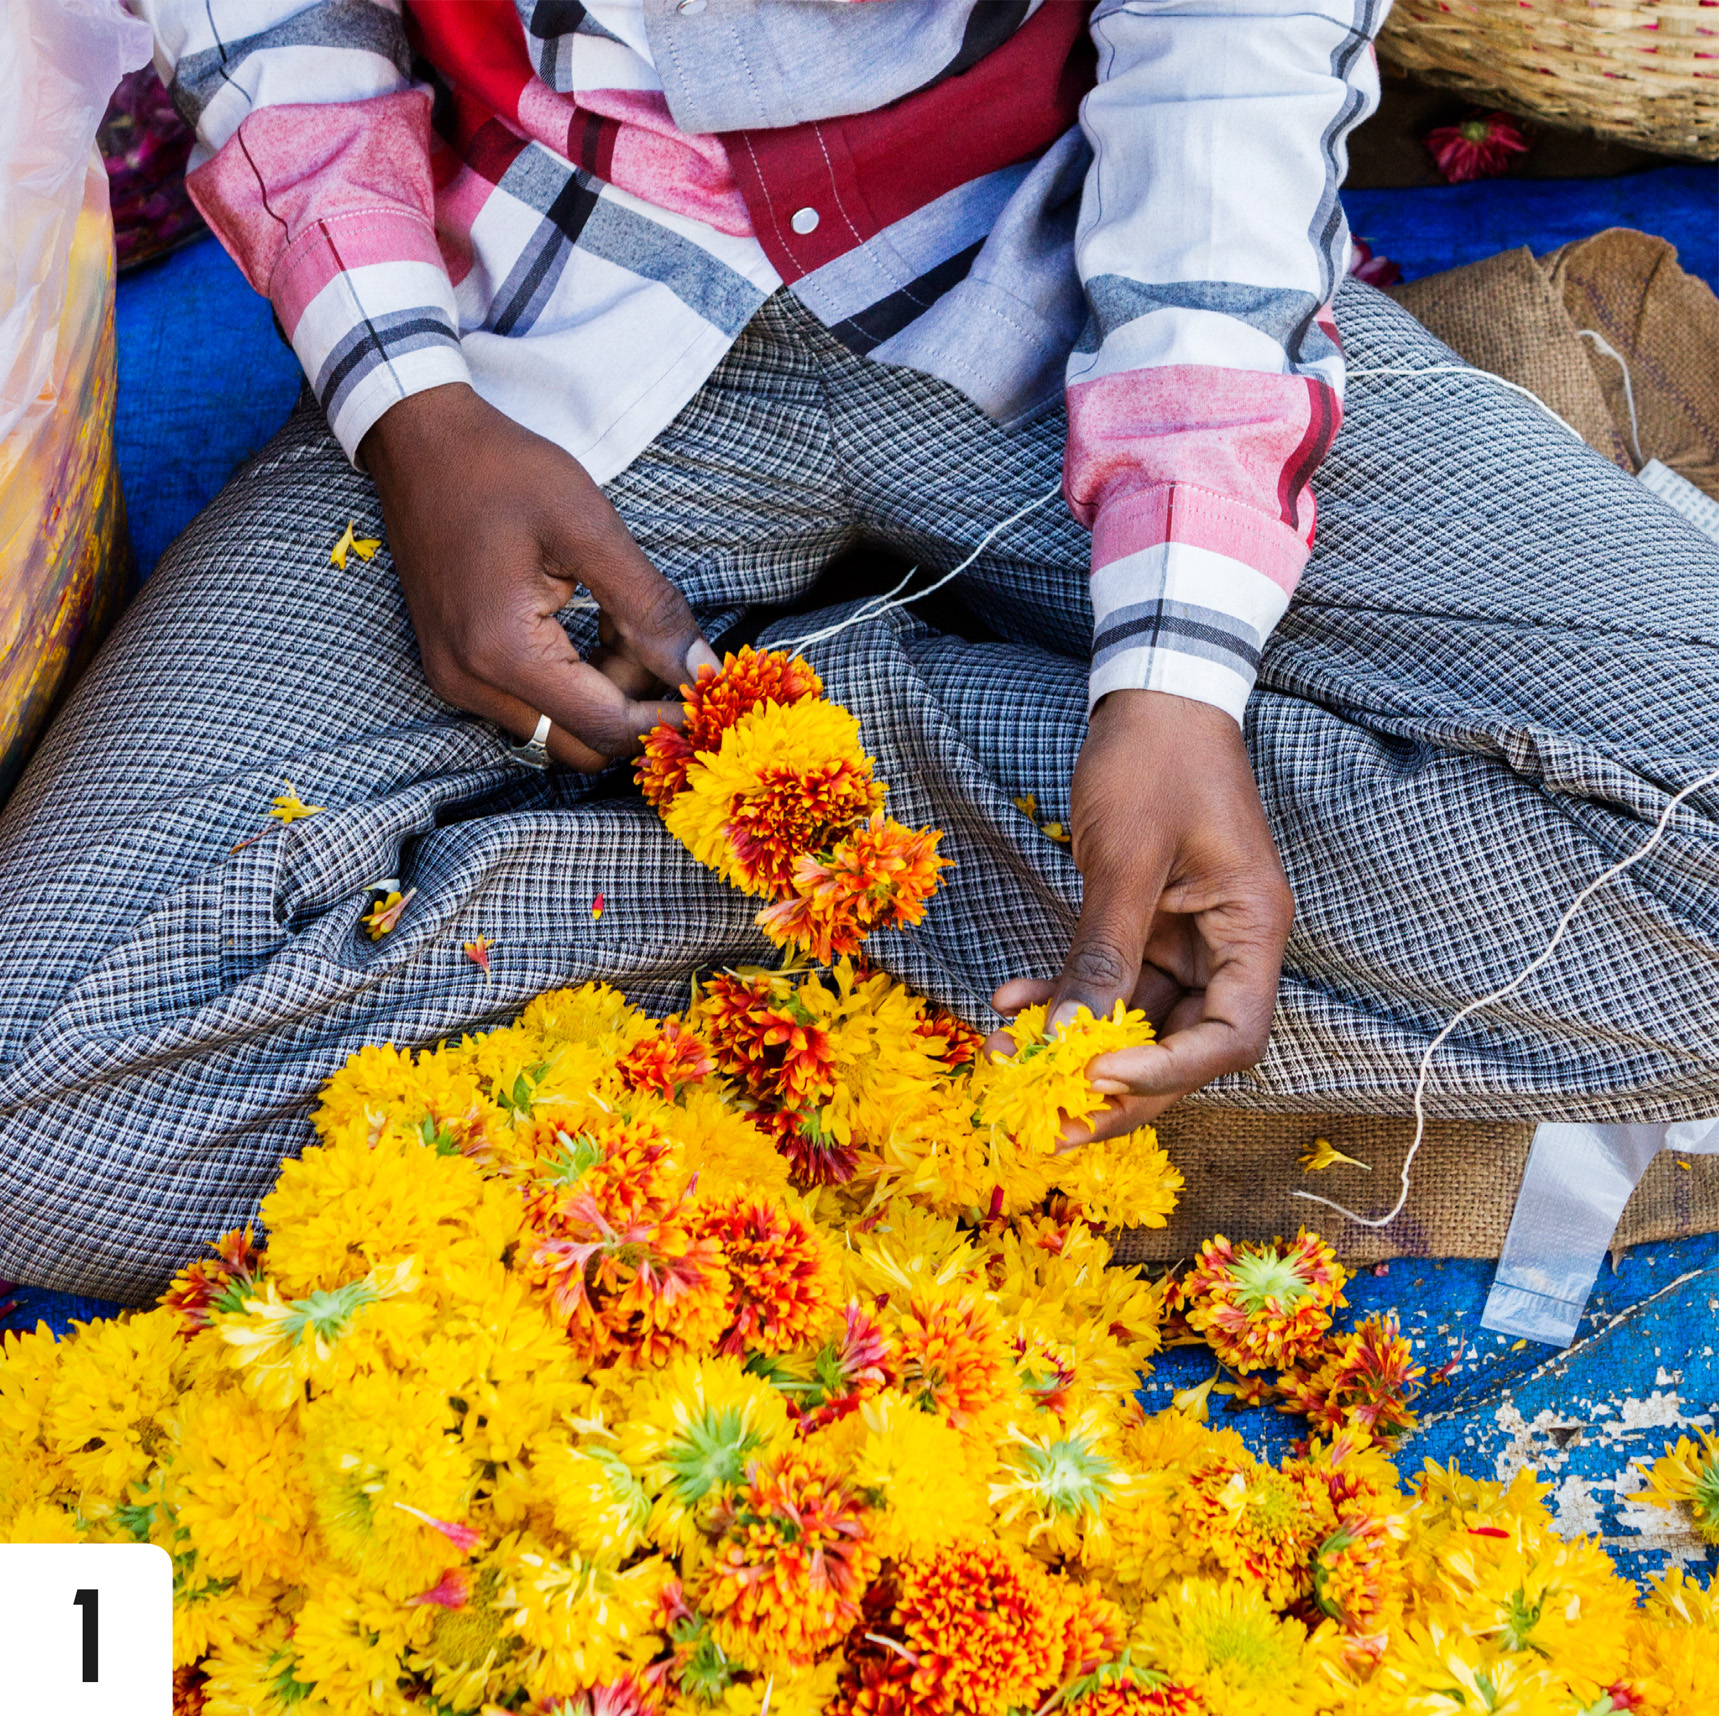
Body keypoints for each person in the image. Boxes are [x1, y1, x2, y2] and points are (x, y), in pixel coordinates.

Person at [1, 0, 1715, 1304]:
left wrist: (1178, 666)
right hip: (535, 327)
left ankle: (815, 781)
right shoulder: (452, 395)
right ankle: (796, 830)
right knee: (42, 1108)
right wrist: (403, 399)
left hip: (1058, 260)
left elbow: (1230, 48)